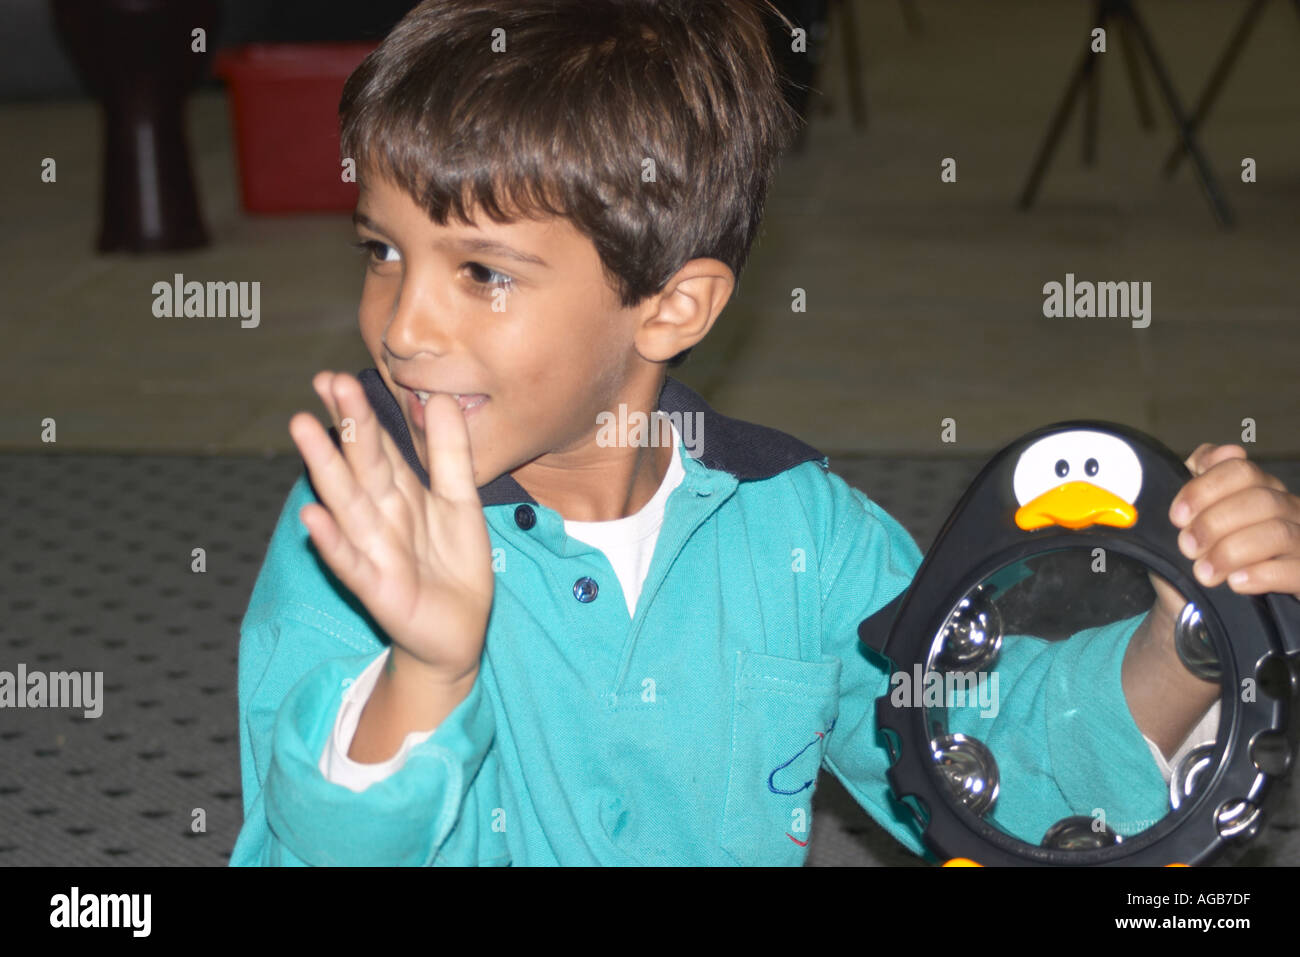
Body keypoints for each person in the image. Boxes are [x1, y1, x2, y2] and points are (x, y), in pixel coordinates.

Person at [231, 0, 1300, 866]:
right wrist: (425, 671)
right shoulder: (362, 527)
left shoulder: (803, 534)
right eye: (381, 252)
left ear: (672, 308)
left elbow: (991, 761)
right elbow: (307, 848)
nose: (402, 326)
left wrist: (1192, 634)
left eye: (481, 273)